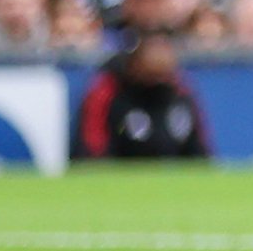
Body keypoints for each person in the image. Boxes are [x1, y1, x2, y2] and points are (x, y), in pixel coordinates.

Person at [73, 32, 209, 160]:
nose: (159, 80)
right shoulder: (109, 93)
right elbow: (92, 147)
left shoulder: (180, 92)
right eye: (152, 76)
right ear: (134, 65)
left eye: (163, 75)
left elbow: (199, 151)